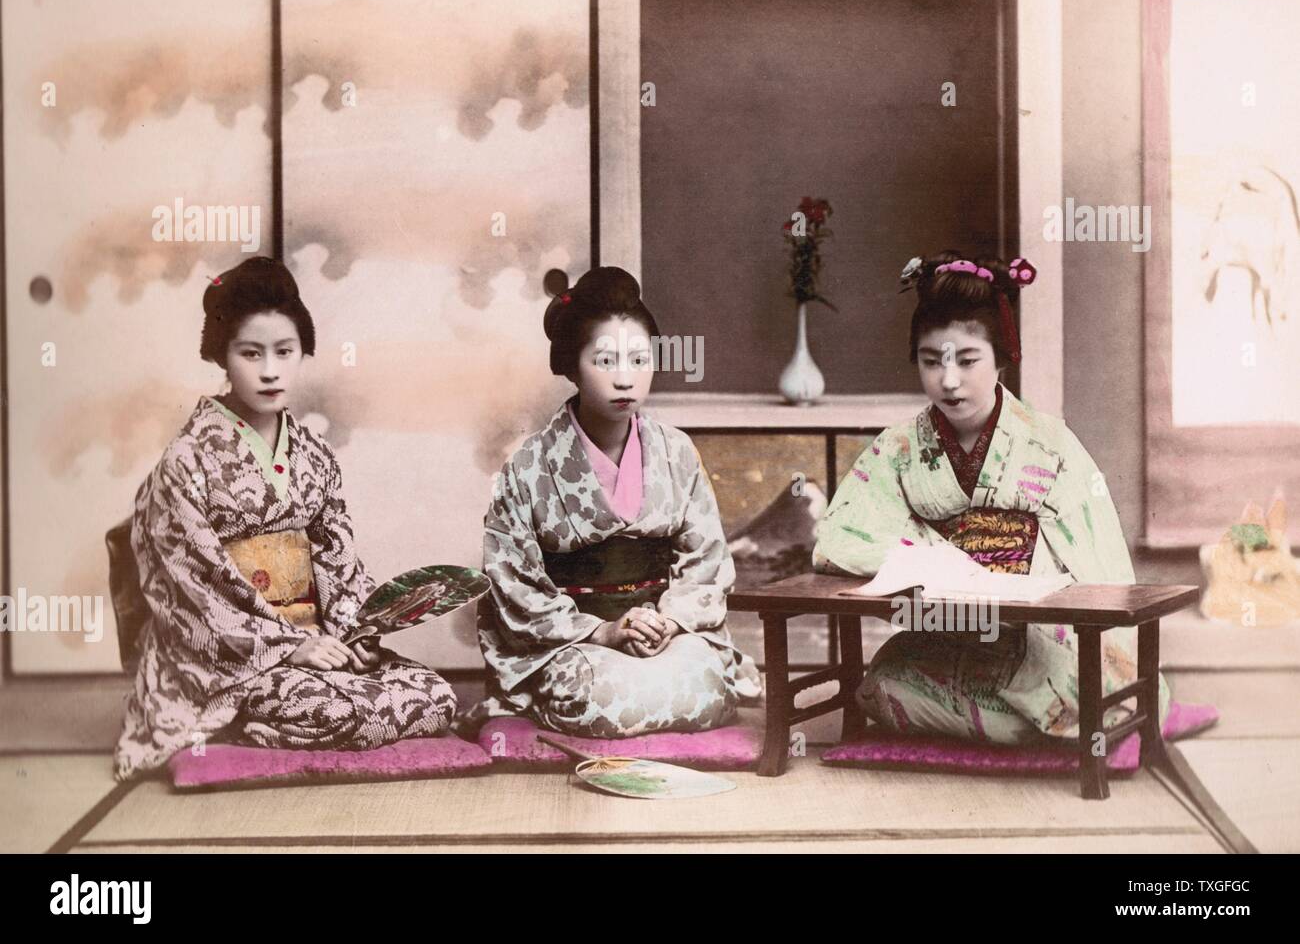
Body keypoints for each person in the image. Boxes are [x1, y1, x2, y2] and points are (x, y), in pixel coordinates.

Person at [114, 257, 456, 780]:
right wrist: (290, 647)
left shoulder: (313, 454)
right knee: (342, 710)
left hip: (318, 641)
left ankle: (289, 715)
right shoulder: (187, 459)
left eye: (285, 351)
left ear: (303, 353)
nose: (270, 370)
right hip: (234, 656)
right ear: (222, 357)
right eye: (250, 353)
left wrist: (355, 635)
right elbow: (196, 589)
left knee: (435, 696)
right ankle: (242, 727)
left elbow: (338, 560)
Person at [813, 251, 1171, 743]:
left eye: (967, 359)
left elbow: (1101, 563)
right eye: (931, 361)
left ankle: (1020, 720)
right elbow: (837, 538)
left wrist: (1023, 588)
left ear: (1001, 357)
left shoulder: (1051, 443)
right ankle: (1037, 730)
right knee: (881, 687)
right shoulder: (898, 447)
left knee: (1096, 682)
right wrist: (930, 561)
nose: (949, 379)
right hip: (951, 627)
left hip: (1040, 630)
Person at [464, 266, 761, 737]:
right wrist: (604, 632)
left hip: (662, 632)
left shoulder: (677, 452)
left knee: (705, 684)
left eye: (640, 360)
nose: (626, 379)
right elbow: (513, 583)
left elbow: (705, 561)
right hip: (576, 642)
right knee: (594, 694)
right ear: (571, 364)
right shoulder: (528, 466)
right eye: (605, 361)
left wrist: (667, 622)